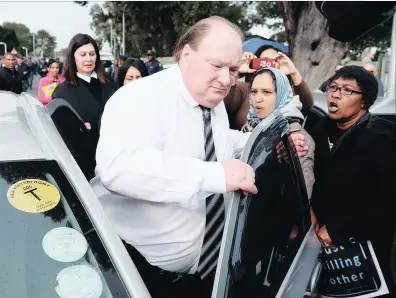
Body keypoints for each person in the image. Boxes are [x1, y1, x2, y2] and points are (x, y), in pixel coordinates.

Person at [90, 16, 308, 298]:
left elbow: (216, 142)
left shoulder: (211, 100)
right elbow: (118, 169)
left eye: (232, 69)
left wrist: (261, 143)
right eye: (216, 65)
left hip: (209, 274)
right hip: (142, 277)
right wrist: (214, 175)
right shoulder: (138, 98)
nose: (226, 79)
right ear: (187, 54)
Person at [310, 66, 396, 296]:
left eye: (347, 90)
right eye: (333, 87)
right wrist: (309, 210)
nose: (335, 95)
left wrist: (339, 229)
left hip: (366, 255)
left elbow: (387, 206)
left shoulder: (383, 139)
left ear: (364, 101)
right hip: (321, 249)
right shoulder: (320, 129)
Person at [242, 67, 315, 198]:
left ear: (281, 94)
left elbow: (302, 196)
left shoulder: (293, 134)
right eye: (254, 92)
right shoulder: (253, 124)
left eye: (266, 92)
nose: (258, 98)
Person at [52, 33, 114, 168]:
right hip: (81, 163)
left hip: (111, 158)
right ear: (73, 57)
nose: (88, 59)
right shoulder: (62, 92)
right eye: (83, 54)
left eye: (92, 54)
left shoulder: (109, 83)